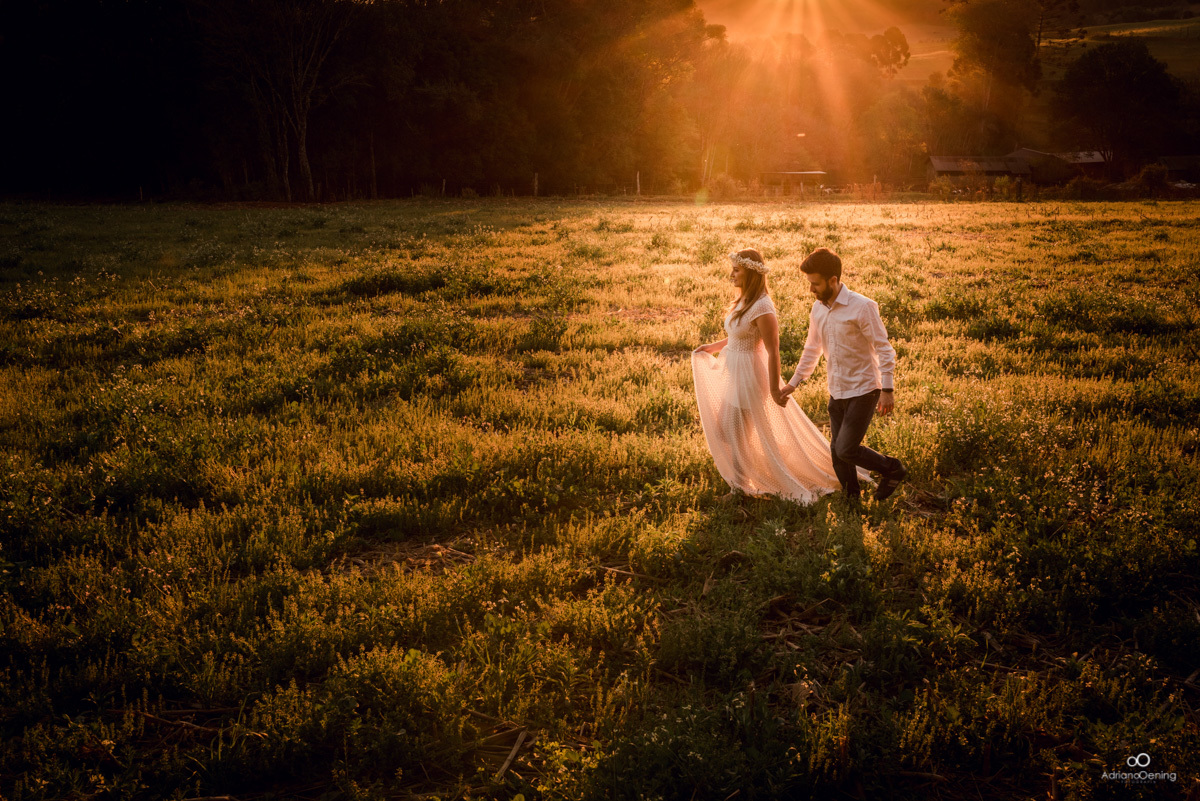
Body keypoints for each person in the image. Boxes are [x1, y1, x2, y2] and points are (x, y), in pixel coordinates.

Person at [692, 249, 868, 504]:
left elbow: (772, 350)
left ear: (750, 273)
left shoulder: (763, 307)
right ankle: (749, 474)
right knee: (726, 431)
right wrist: (713, 347)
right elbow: (738, 336)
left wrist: (775, 388)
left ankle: (741, 488)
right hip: (735, 372)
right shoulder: (744, 299)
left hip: (750, 377)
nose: (731, 275)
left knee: (734, 433)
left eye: (737, 270)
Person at [777, 247, 907, 502]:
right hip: (836, 389)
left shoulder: (863, 307)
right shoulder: (818, 309)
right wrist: (794, 382)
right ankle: (851, 499)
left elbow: (884, 349)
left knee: (846, 449)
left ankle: (893, 469)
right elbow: (812, 349)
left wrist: (887, 389)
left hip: (864, 389)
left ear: (833, 280)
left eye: (815, 284)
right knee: (837, 454)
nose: (811, 289)